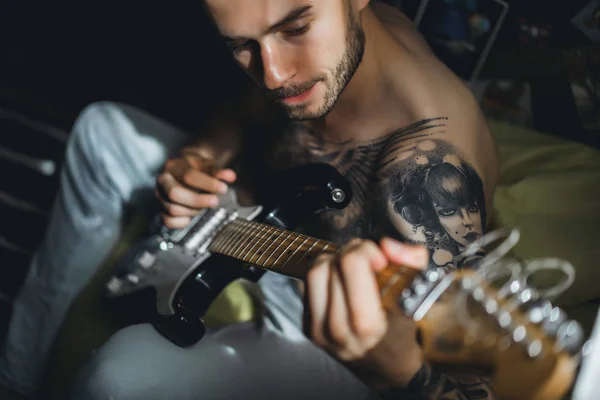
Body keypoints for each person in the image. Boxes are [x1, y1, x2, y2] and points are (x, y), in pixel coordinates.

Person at [0, 0, 499, 399]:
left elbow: (477, 387)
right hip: (257, 206)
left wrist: (404, 374)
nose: (275, 74)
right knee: (99, 127)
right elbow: (249, 107)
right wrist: (197, 159)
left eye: (294, 29)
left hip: (324, 327)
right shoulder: (327, 41)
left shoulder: (427, 172)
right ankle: (14, 379)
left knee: (116, 379)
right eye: (241, 46)